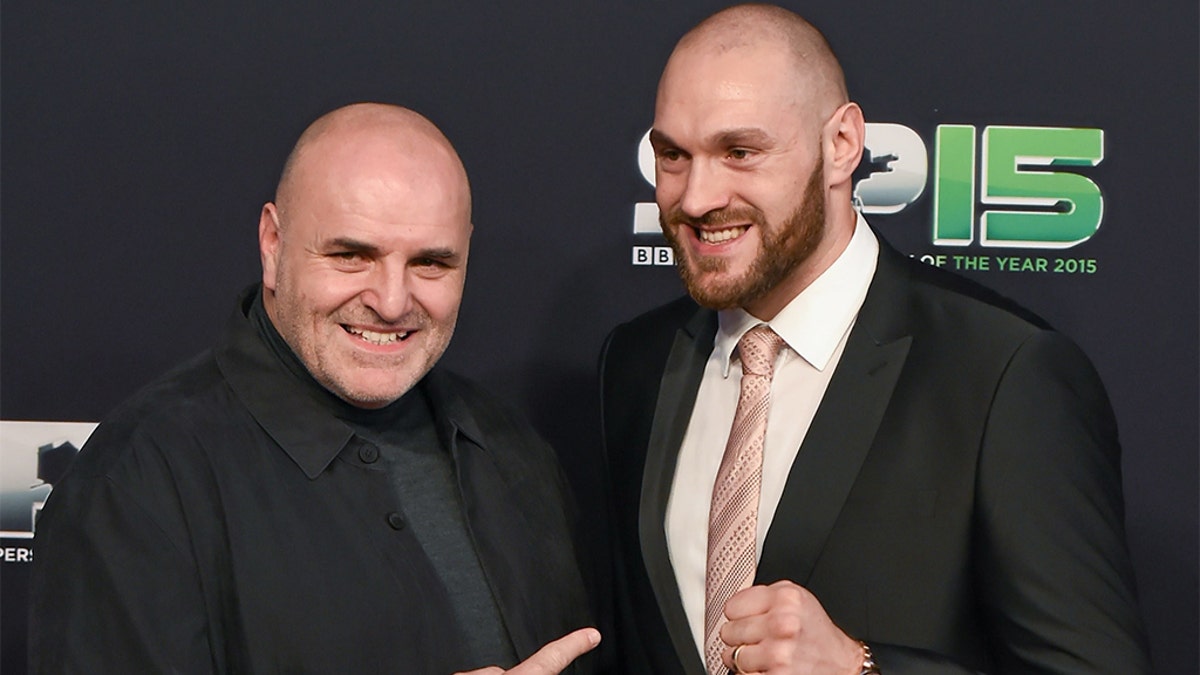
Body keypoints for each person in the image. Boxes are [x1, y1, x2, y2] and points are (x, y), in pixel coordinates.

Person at [599, 5, 1151, 674]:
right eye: (673, 156)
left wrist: (861, 666)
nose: (695, 197)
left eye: (739, 152)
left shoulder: (1005, 373)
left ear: (842, 145)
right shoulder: (636, 362)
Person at [30, 103, 599, 674]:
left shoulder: (513, 452)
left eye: (430, 263)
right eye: (351, 256)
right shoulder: (136, 484)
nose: (393, 301)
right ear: (273, 243)